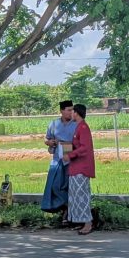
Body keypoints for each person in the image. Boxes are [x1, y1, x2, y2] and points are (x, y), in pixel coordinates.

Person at [63, 104, 95, 235]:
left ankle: (88, 223)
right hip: (76, 167)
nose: (70, 114)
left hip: (82, 167)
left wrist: (70, 154)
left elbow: (85, 147)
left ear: (76, 113)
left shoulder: (83, 128)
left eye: (72, 111)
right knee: (75, 196)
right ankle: (80, 221)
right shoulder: (78, 127)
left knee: (82, 196)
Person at [41, 100, 75, 222]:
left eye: (72, 110)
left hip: (72, 158)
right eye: (68, 110)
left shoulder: (76, 123)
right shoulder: (54, 124)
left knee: (69, 186)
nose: (71, 112)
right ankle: (65, 207)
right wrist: (49, 142)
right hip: (57, 159)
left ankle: (69, 212)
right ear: (61, 111)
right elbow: (47, 139)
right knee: (55, 186)